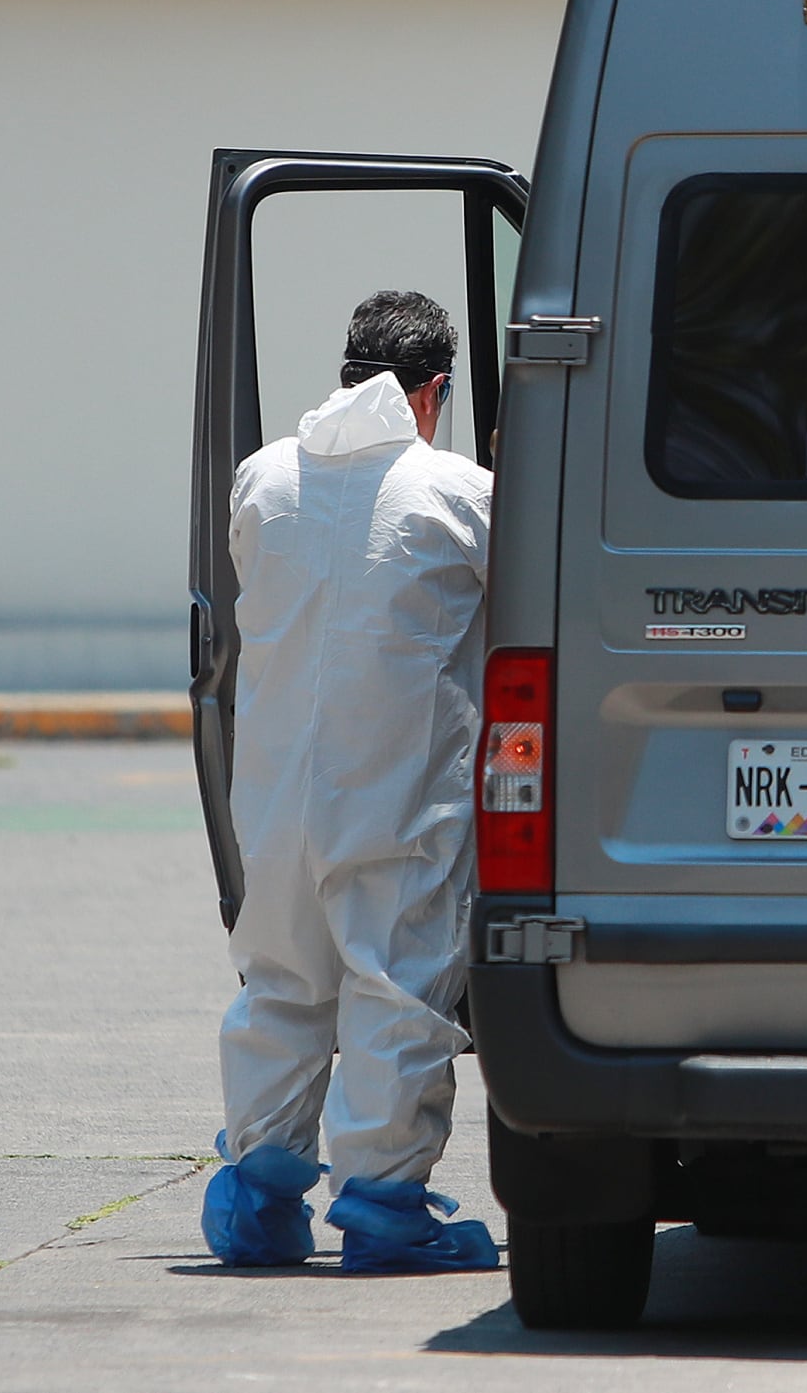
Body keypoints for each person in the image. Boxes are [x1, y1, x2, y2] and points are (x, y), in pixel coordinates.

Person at [202, 291, 500, 1273]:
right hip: (398, 787)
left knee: (282, 981)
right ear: (435, 391)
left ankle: (257, 1199)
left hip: (275, 788)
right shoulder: (460, 491)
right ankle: (381, 1206)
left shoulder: (261, 478)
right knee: (394, 983)